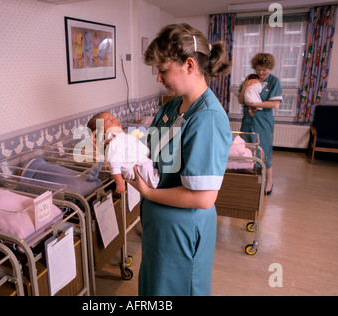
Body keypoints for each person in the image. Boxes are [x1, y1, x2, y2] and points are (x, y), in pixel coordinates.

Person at [126, 23, 232, 296]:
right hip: (159, 226)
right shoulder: (172, 106)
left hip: (183, 229)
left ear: (188, 65)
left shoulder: (206, 118)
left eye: (163, 71)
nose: (159, 79)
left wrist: (148, 191)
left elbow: (204, 198)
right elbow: (153, 152)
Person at [238, 53, 282, 195]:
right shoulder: (251, 79)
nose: (260, 72)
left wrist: (254, 104)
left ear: (269, 68)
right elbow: (240, 99)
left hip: (263, 122)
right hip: (248, 121)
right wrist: (246, 85)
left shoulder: (274, 81)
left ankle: (268, 182)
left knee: (264, 152)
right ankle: (248, 181)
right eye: (258, 69)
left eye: (264, 70)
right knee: (246, 151)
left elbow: (275, 104)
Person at [87, 112, 160, 194]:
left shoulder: (120, 136)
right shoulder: (113, 143)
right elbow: (114, 166)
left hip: (141, 161)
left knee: (152, 170)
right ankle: (160, 184)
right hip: (135, 166)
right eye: (110, 120)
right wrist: (120, 183)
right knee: (154, 180)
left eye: (113, 117)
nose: (115, 119)